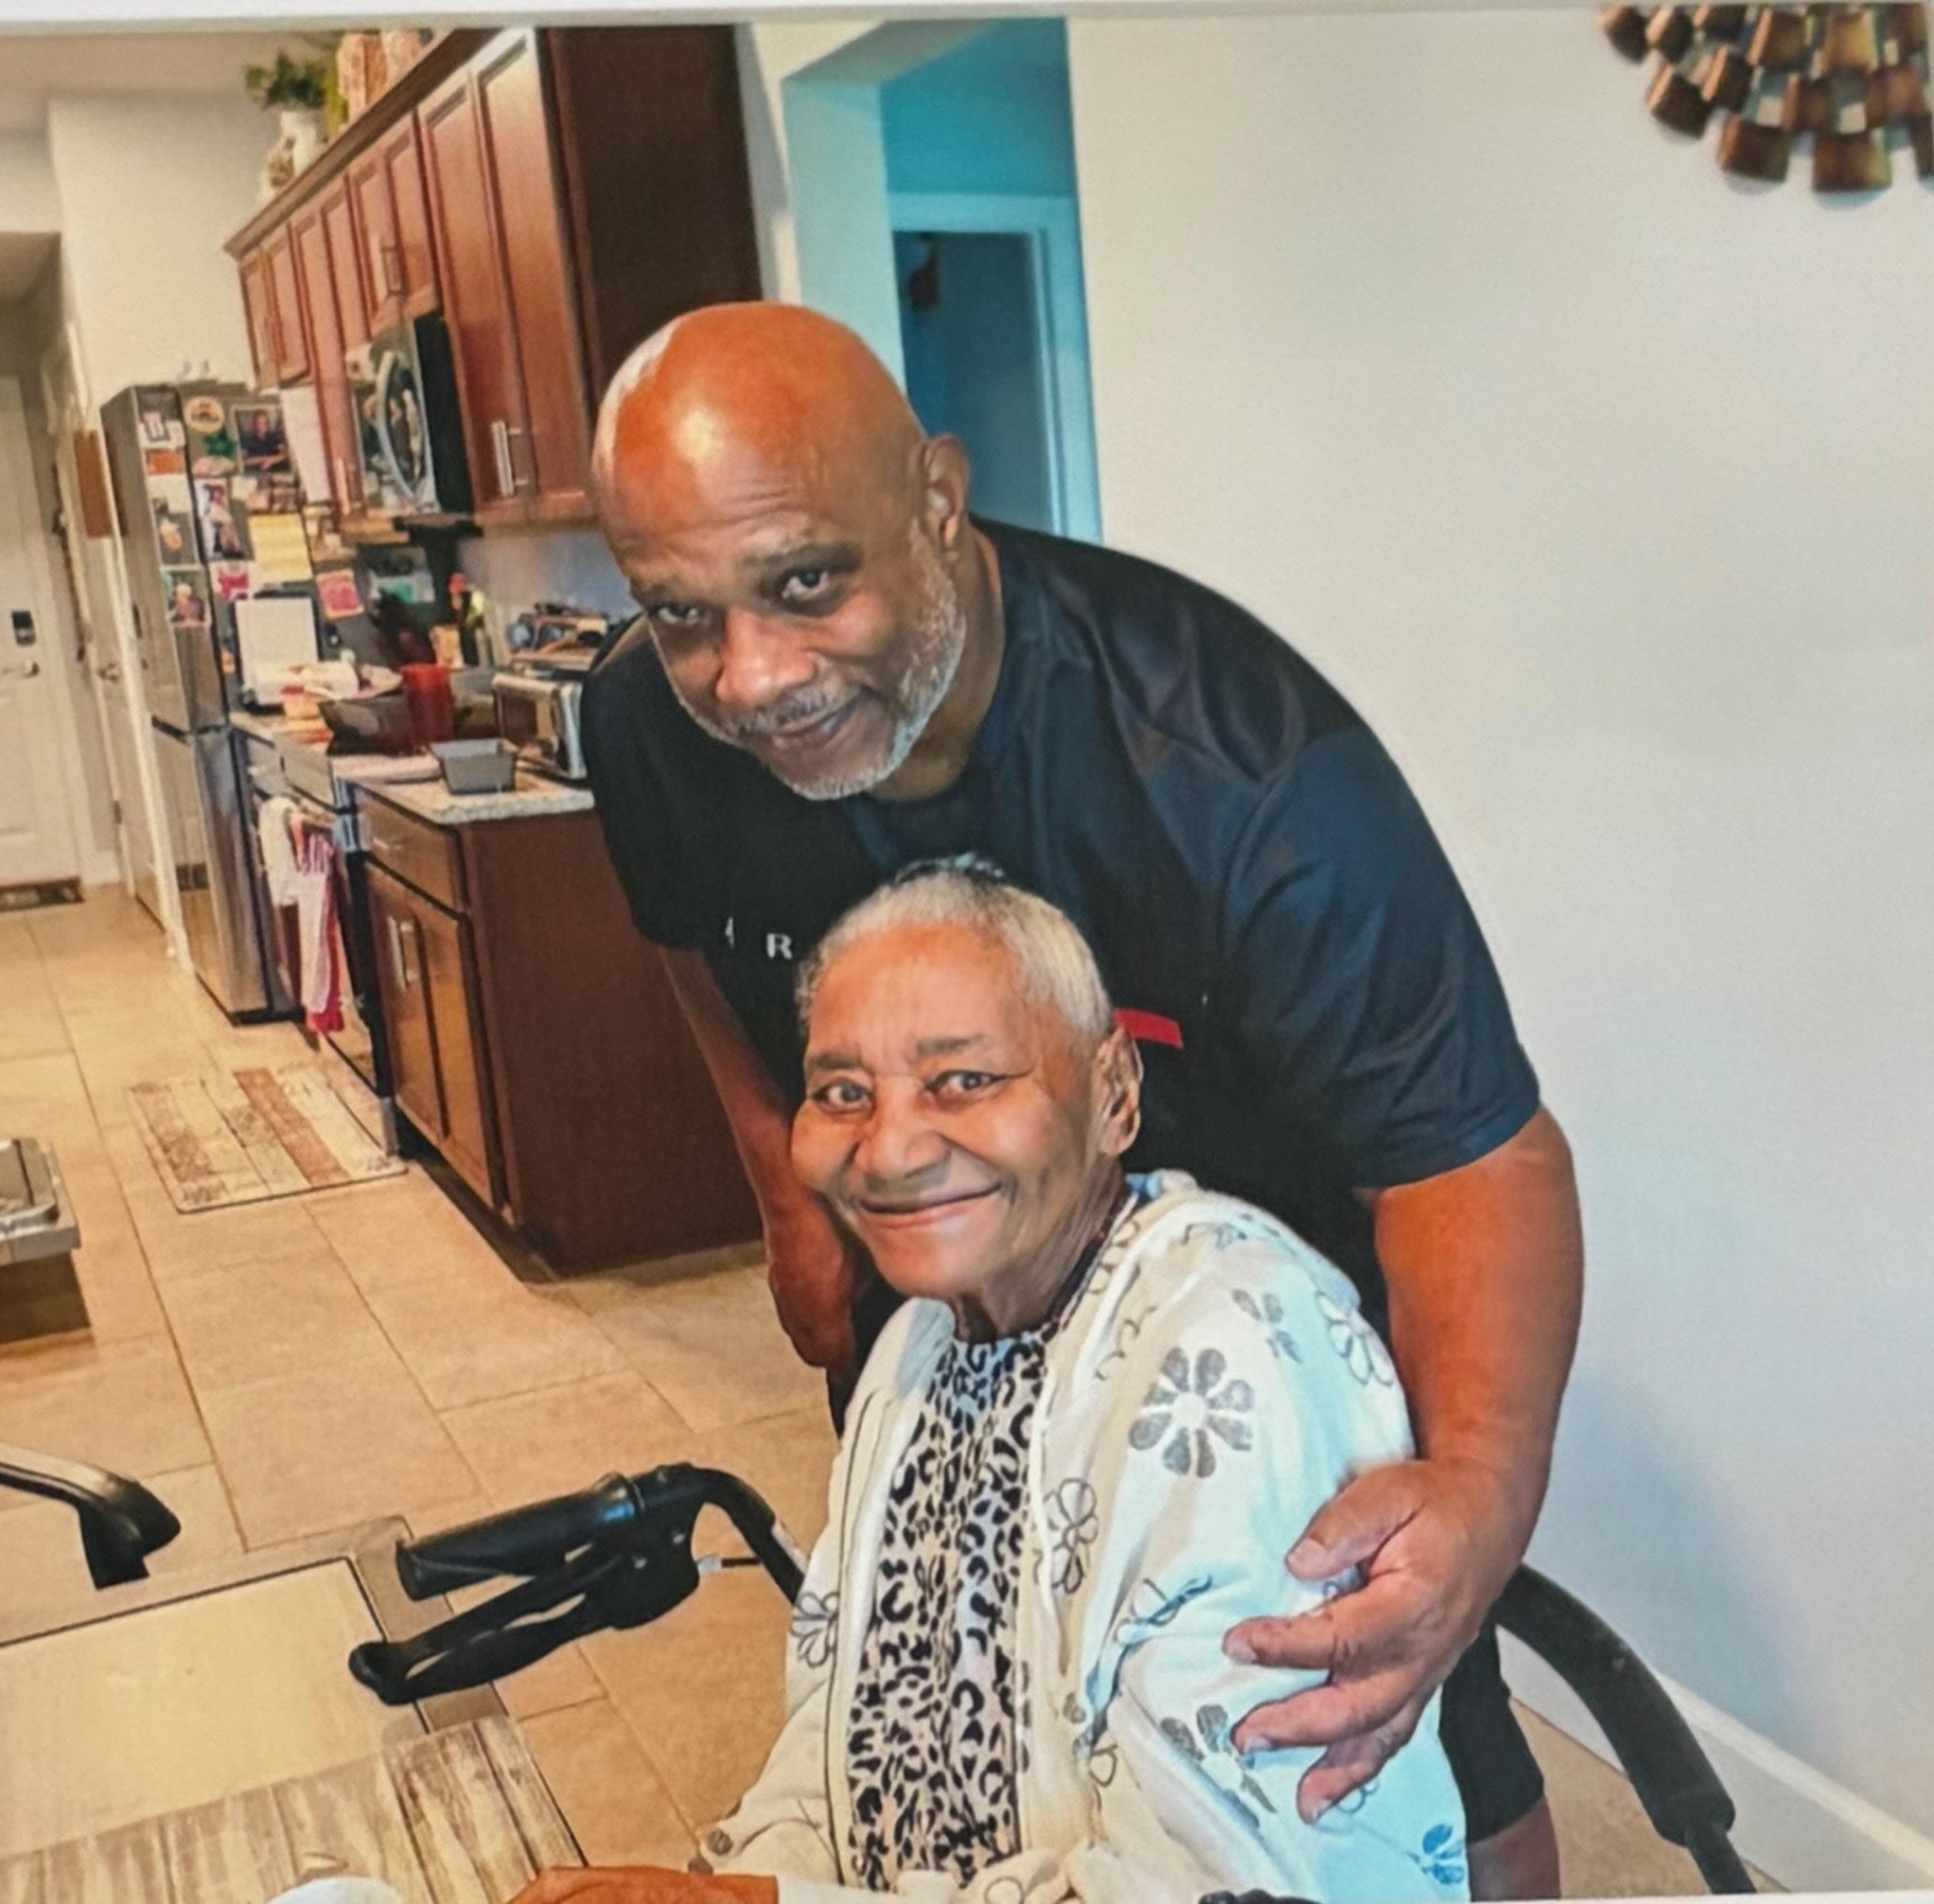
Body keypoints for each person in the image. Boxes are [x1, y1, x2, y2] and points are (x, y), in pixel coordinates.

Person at [577, 302, 1583, 1894]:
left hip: (1259, 1318)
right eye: (683, 614)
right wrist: (785, 1184)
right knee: (976, 1680)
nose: (751, 677)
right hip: (954, 1291)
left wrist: (1477, 1490)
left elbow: (1472, 1154)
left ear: (936, 501)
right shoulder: (648, 720)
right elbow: (691, 940)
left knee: (1386, 1716)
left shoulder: (1240, 776)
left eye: (806, 582)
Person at [510, 863, 1472, 1904]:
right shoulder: (920, 1341)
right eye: (842, 1093)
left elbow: (1210, 1886)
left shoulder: (1230, 1363)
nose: (890, 1149)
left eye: (962, 1079)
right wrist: (742, 1877)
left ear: (1114, 1095)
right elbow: (833, 1736)